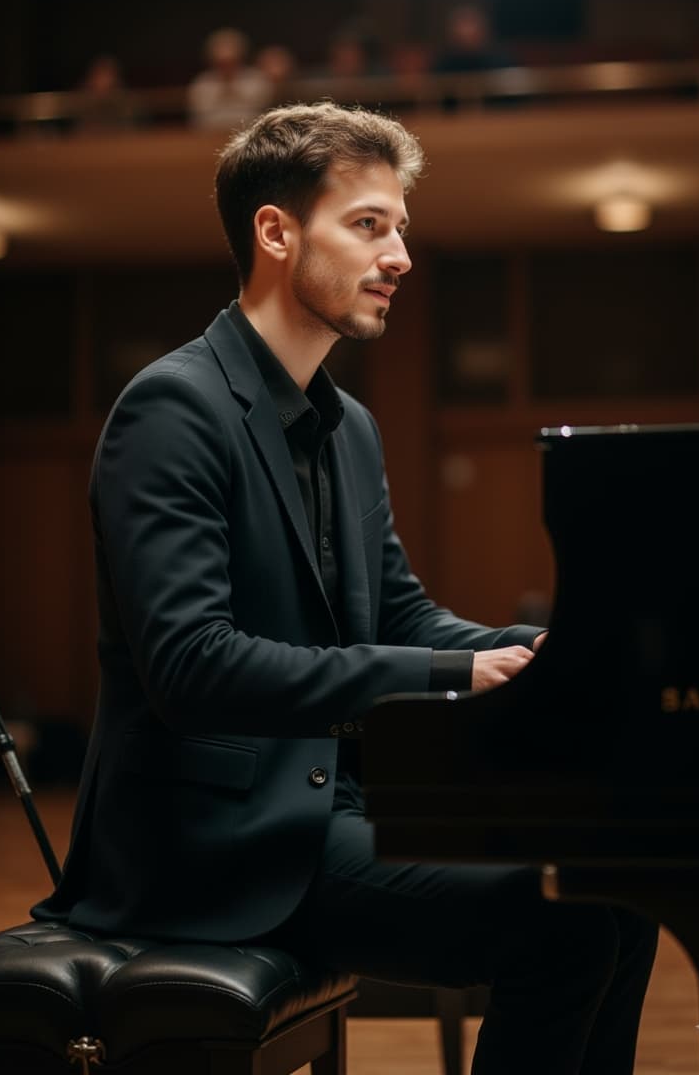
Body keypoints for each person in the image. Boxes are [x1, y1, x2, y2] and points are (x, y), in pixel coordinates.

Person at [33, 102, 657, 1075]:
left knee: (621, 887)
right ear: (275, 233)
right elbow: (191, 667)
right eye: (369, 224)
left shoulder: (351, 426)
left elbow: (401, 611)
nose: (400, 255)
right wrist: (455, 674)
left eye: (399, 227)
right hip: (204, 850)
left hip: (329, 814)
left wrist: (537, 650)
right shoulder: (172, 409)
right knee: (564, 925)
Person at [187, 26, 272, 129]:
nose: (227, 68)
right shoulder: (202, 83)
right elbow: (197, 118)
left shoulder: (256, 79)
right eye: (222, 64)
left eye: (231, 62)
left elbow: (262, 110)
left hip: (249, 133)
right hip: (210, 134)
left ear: (240, 57)